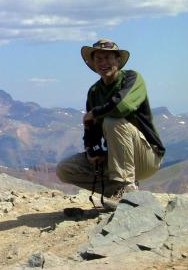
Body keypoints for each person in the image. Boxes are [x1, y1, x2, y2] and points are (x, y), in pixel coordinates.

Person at [56, 38, 165, 210]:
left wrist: (95, 113)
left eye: (108, 58)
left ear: (118, 60)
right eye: (98, 59)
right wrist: (92, 151)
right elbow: (91, 129)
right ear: (93, 63)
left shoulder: (132, 78)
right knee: (65, 169)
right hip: (118, 156)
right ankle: (117, 192)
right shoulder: (94, 92)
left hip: (146, 157)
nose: (103, 63)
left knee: (113, 121)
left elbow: (122, 106)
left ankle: (126, 187)